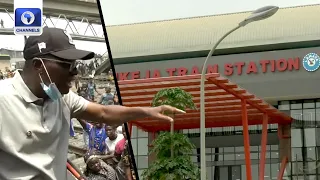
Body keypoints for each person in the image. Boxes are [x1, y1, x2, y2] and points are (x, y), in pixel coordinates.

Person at [0, 27, 184, 180]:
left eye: (76, 65)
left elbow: (104, 112)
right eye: (67, 65)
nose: (75, 73)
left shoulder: (62, 98)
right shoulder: (3, 99)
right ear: (38, 65)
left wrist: (149, 111)